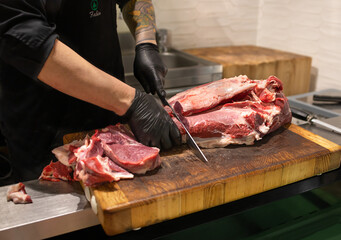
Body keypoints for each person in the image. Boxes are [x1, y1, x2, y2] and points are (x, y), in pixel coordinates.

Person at [0, 0, 181, 182]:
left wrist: (146, 42)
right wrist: (130, 101)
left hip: (110, 121)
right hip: (43, 128)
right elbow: (30, 43)